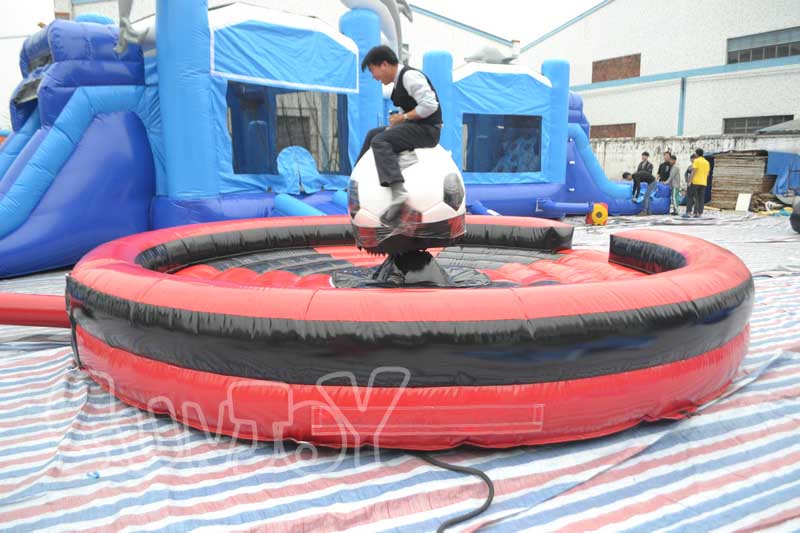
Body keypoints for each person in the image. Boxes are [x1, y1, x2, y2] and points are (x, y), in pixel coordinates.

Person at [356, 45, 443, 225]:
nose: (374, 76)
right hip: (415, 127)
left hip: (428, 131)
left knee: (380, 141)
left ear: (385, 65)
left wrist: (403, 117)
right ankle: (357, 180)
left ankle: (398, 192)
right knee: (373, 134)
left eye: (373, 71)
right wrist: (398, 122)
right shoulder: (398, 83)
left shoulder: (410, 76)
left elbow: (430, 105)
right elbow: (409, 108)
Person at [684, 148, 710, 218]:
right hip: (703, 183)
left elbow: (694, 171)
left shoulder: (696, 161)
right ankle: (699, 213)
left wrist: (689, 181)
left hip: (695, 182)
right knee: (700, 198)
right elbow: (707, 174)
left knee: (690, 197)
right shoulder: (707, 162)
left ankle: (688, 212)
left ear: (697, 154)